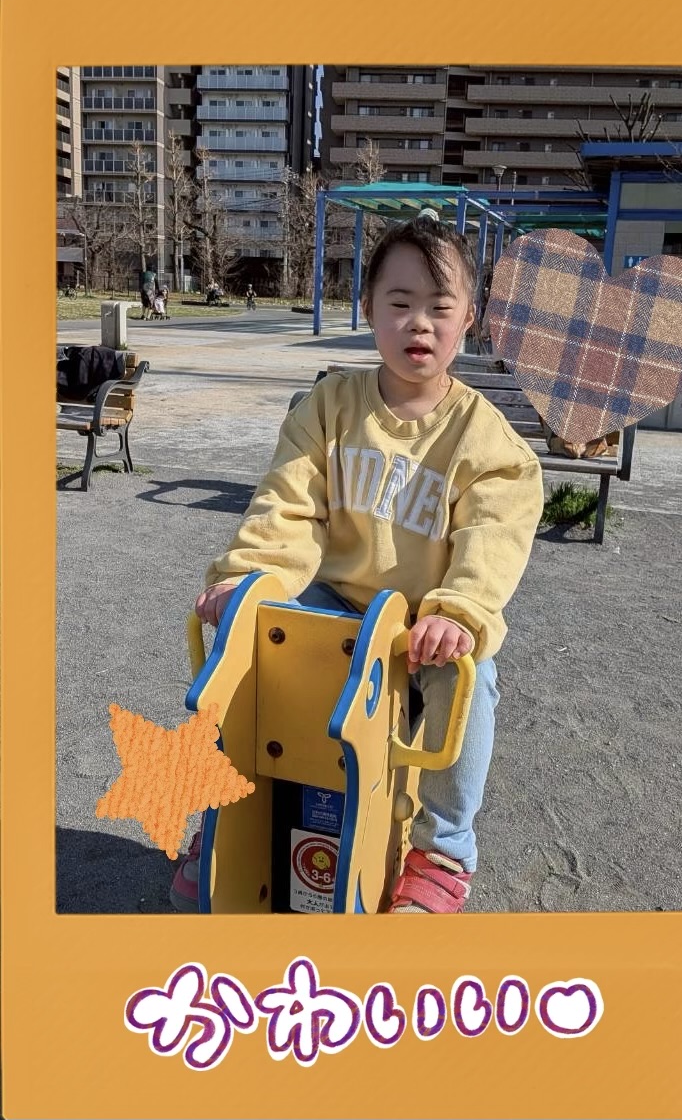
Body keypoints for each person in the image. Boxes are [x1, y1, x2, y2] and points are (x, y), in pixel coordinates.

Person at [170, 211, 544, 915]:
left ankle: (444, 850)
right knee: (247, 642)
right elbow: (288, 502)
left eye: (440, 307)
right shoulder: (331, 407)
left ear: (470, 319)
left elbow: (494, 535)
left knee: (472, 677)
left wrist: (460, 612)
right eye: (399, 303)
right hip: (335, 600)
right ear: (368, 308)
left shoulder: (486, 439)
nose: (419, 323)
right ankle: (224, 810)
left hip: (422, 624)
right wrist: (247, 576)